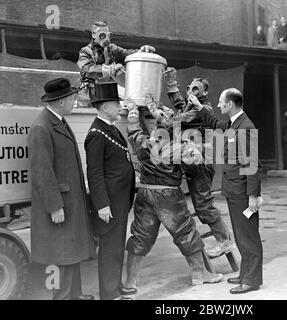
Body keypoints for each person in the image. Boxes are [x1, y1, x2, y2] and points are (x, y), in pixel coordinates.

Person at [123, 97, 223, 293]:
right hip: (168, 196)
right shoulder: (180, 147)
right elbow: (196, 167)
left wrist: (133, 110)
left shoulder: (143, 142)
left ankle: (130, 282)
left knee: (140, 236)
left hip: (144, 193)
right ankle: (200, 274)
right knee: (186, 232)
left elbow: (134, 130)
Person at [188, 88, 263, 294]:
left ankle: (252, 280)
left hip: (243, 192)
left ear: (230, 104)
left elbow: (253, 164)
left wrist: (253, 196)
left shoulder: (245, 127)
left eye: (221, 102)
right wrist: (199, 107)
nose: (219, 105)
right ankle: (246, 273)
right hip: (234, 190)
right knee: (240, 236)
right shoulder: (232, 124)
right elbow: (215, 124)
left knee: (248, 237)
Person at [28, 78, 95, 300]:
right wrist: (54, 206)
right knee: (57, 257)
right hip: (58, 205)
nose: (74, 100)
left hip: (69, 202)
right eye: (71, 98)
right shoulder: (42, 127)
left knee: (70, 253)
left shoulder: (58, 121)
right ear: (60, 101)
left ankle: (75, 295)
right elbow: (41, 171)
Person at [165, 68, 233, 258]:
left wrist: (161, 114)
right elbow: (180, 103)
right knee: (200, 204)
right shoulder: (190, 104)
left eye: (196, 90)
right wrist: (171, 84)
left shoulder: (205, 109)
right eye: (190, 89)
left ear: (204, 93)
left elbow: (178, 118)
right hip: (192, 161)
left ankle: (225, 242)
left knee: (204, 205)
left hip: (202, 163)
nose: (191, 93)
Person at [84, 82, 136, 300]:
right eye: (116, 103)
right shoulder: (97, 133)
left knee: (116, 246)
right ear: (105, 106)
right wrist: (102, 205)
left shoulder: (111, 128)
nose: (119, 107)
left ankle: (116, 285)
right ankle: (109, 293)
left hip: (120, 200)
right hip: (110, 203)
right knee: (109, 248)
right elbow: (94, 173)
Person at [77, 20, 155, 107]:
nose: (106, 38)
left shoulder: (111, 48)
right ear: (94, 35)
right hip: (89, 94)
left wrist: (141, 52)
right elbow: (88, 69)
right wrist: (109, 70)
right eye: (102, 35)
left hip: (107, 91)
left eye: (108, 35)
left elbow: (127, 54)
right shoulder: (85, 51)